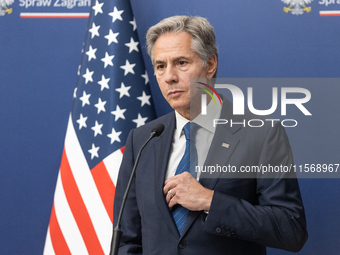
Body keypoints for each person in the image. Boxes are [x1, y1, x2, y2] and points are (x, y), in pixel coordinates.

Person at [113, 15, 307, 255]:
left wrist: (210, 201)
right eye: (160, 66)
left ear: (211, 63)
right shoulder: (142, 139)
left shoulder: (262, 134)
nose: (169, 77)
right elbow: (128, 239)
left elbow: (291, 229)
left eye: (181, 62)